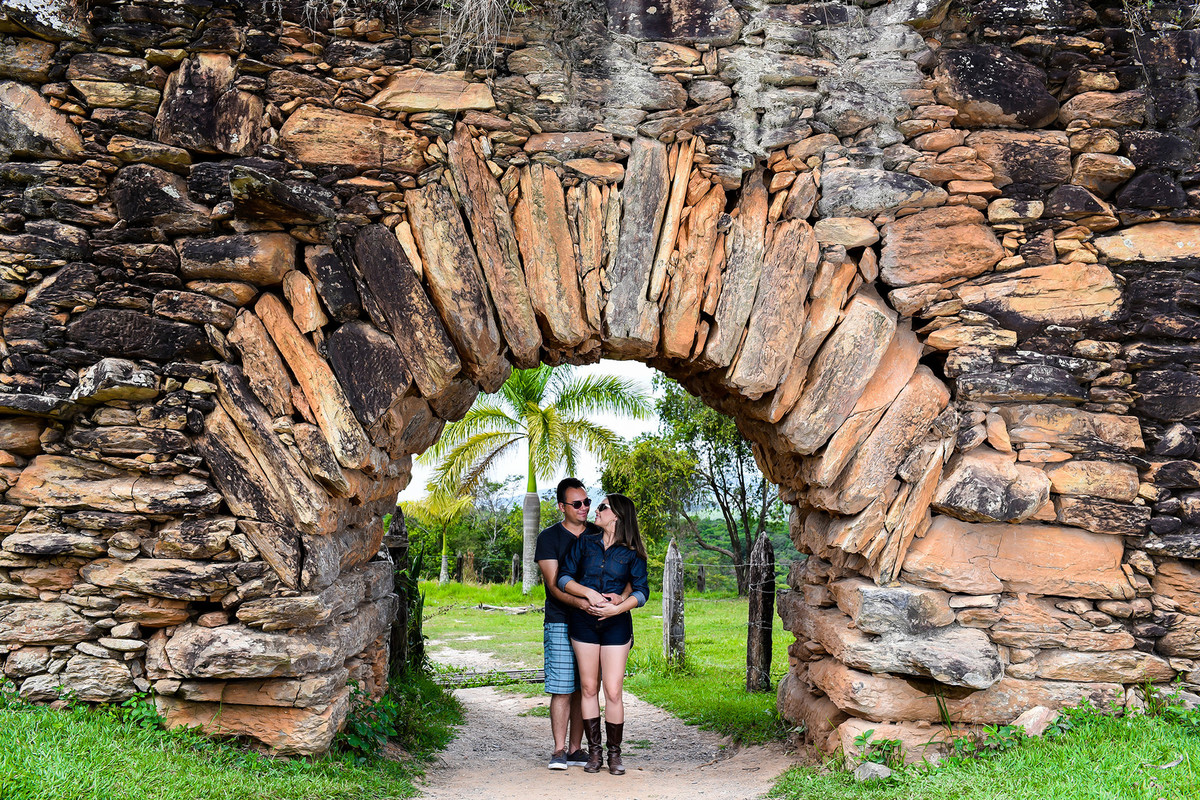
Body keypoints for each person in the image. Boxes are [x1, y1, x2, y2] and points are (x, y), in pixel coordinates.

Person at [557, 493, 649, 776]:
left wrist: (618, 607)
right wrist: (588, 593)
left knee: (612, 690)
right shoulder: (584, 543)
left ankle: (614, 755)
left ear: (617, 516)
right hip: (583, 623)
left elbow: (642, 592)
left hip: (616, 625)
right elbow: (563, 578)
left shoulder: (632, 552)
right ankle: (594, 753)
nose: (595, 510)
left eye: (602, 507)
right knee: (587, 688)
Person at [533, 478, 607, 771]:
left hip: (595, 623)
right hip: (562, 620)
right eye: (576, 504)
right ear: (562, 506)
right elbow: (554, 586)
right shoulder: (549, 538)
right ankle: (559, 749)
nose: (584, 508)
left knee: (586, 688)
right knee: (563, 688)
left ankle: (577, 749)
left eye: (587, 502)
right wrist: (582, 603)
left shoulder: (597, 533)